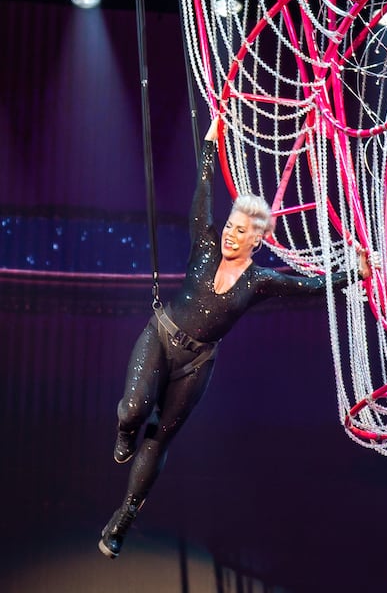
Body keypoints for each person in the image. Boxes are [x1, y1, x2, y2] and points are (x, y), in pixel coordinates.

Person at [99, 115, 367, 559]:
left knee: (160, 437)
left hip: (196, 364)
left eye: (240, 231)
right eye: (229, 226)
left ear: (255, 240)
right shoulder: (204, 242)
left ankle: (122, 519)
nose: (229, 233)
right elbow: (203, 187)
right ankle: (125, 431)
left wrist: (353, 273)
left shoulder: (259, 281)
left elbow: (310, 286)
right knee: (133, 409)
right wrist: (211, 141)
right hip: (161, 336)